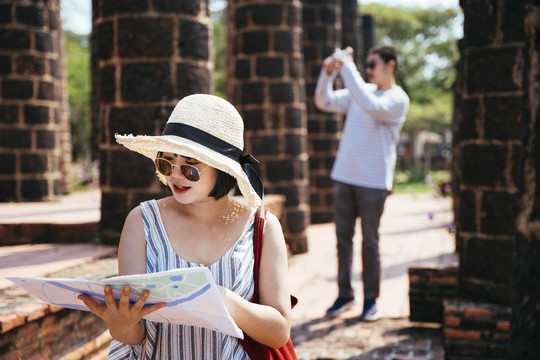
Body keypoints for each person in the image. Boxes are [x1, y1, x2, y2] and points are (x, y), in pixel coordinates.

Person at [78, 94, 292, 359]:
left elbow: (280, 331)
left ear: (222, 169)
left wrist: (223, 300)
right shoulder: (141, 222)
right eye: (166, 162)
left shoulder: (262, 226)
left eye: (191, 167)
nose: (175, 175)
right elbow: (134, 335)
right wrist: (120, 323)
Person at [314, 46, 409, 321]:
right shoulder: (358, 91)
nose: (368, 70)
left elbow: (372, 106)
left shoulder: (397, 99)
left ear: (390, 64)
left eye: (373, 64)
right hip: (344, 176)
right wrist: (328, 73)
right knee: (342, 241)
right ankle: (345, 294)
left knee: (370, 243)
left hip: (374, 182)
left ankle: (370, 300)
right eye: (365, 65)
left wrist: (347, 66)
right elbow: (323, 101)